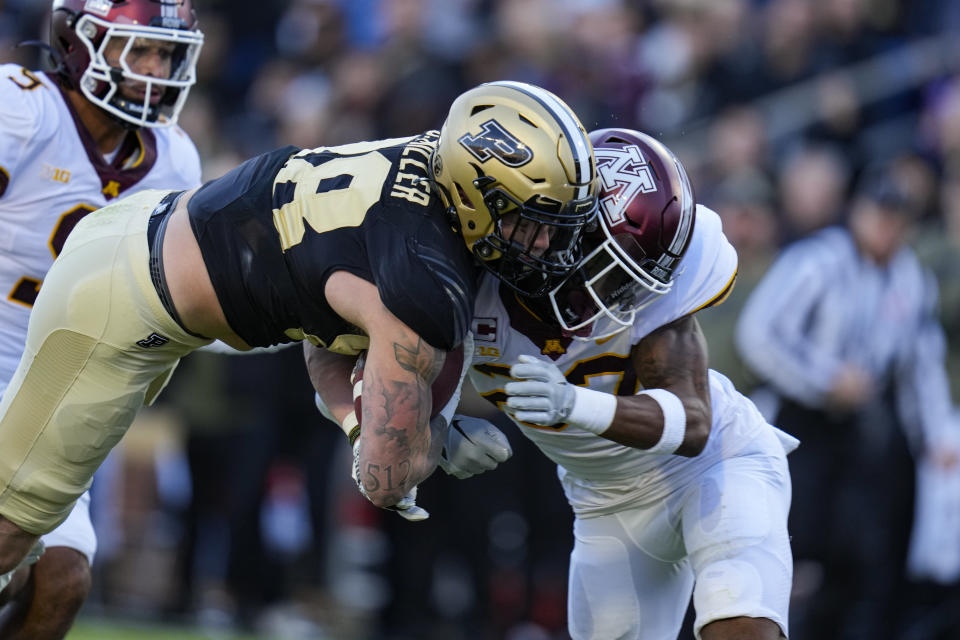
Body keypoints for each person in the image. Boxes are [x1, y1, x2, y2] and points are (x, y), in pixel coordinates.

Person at [0, 80, 599, 593]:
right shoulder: (421, 280)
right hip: (121, 305)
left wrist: (360, 415)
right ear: (474, 193)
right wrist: (432, 437)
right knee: (12, 531)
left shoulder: (424, 170)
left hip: (146, 257)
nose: (544, 244)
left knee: (36, 555)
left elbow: (321, 325)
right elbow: (384, 481)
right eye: (529, 219)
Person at [315, 128, 797, 639]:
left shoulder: (660, 277)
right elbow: (329, 354)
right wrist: (426, 435)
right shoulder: (462, 271)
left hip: (715, 467)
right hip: (605, 499)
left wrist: (574, 404)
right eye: (612, 267)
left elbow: (694, 423)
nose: (625, 293)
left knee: (740, 626)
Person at [0, 0, 204, 637]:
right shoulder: (21, 109)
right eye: (138, 49)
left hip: (56, 387)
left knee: (62, 582)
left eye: (166, 54)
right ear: (77, 41)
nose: (153, 68)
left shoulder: (174, 158)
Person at [735, 167, 960, 640]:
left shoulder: (909, 277)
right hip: (798, 424)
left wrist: (938, 434)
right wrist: (823, 378)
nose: (885, 228)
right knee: (793, 550)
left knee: (854, 555)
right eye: (878, 215)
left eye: (896, 219)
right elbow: (757, 334)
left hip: (858, 431)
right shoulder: (817, 261)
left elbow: (922, 364)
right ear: (857, 212)